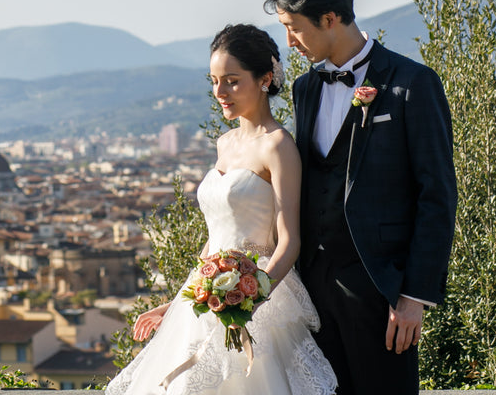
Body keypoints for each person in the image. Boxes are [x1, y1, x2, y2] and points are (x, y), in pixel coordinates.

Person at [106, 24, 337, 395]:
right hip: (207, 298)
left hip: (258, 299)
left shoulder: (278, 146)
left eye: (231, 81)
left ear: (264, 79)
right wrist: (179, 303)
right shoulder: (224, 143)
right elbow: (213, 242)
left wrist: (249, 302)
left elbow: (289, 242)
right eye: (214, 81)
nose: (219, 92)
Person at [265, 0, 457, 395]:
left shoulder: (413, 83)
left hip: (382, 292)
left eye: (294, 26)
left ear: (330, 18)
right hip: (312, 294)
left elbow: (437, 195)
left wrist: (414, 297)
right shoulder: (305, 88)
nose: (289, 40)